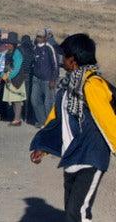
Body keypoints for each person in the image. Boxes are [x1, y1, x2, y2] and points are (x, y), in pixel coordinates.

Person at [30, 33, 116, 222]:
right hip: (73, 155)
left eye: (65, 55)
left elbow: (107, 121)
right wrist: (43, 147)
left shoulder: (92, 85)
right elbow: (56, 119)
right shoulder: (69, 85)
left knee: (78, 213)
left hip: (91, 157)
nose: (62, 59)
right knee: (71, 211)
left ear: (73, 60)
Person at [0, 32, 26, 126]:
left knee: (16, 100)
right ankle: (15, 117)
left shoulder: (17, 54)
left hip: (17, 79)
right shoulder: (9, 53)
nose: (7, 45)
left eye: (8, 43)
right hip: (10, 78)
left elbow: (16, 68)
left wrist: (7, 77)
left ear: (13, 44)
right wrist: (2, 76)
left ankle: (17, 120)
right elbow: (7, 67)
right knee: (13, 100)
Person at [31, 29, 59, 128]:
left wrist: (53, 79)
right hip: (36, 79)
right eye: (37, 36)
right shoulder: (34, 48)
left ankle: (50, 123)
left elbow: (55, 65)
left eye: (41, 36)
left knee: (48, 103)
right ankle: (41, 120)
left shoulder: (49, 48)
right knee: (34, 100)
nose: (39, 38)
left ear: (45, 37)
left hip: (47, 79)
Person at [18, 34, 36, 124]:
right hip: (29, 76)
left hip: (20, 75)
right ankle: (27, 116)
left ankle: (18, 115)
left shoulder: (19, 49)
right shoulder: (33, 50)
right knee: (28, 98)